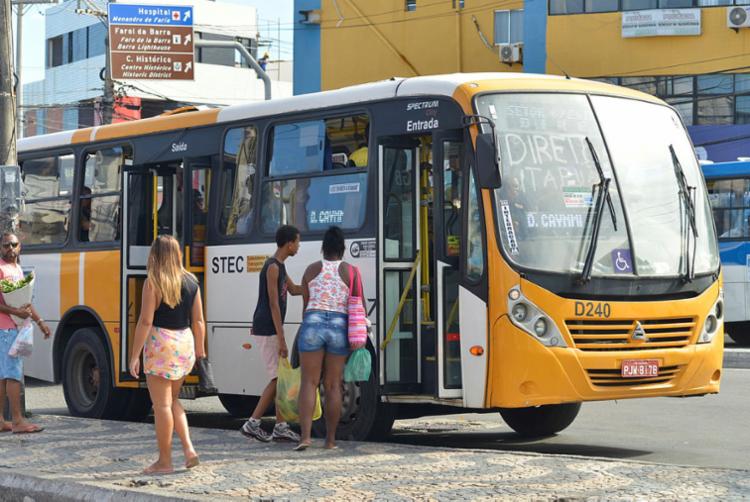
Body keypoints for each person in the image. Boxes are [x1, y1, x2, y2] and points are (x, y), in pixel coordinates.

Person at [129, 235, 205, 474]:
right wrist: (200, 349)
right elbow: (199, 320)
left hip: (161, 344)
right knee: (172, 402)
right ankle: (189, 450)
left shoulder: (154, 282)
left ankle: (165, 462)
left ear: (155, 255)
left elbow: (145, 321)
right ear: (177, 254)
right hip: (184, 343)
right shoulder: (192, 281)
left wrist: (134, 355)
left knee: (161, 406)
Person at [295, 226, 367, 451]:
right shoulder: (351, 271)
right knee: (334, 385)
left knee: (309, 382)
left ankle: (305, 438)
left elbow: (305, 305)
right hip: (339, 326)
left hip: (312, 324)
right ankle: (330, 441)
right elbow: (360, 306)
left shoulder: (310, 270)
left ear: (323, 248)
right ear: (342, 248)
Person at [240, 225, 303, 442]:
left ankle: (281, 425)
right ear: (289, 244)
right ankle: (253, 423)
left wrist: (317, 285)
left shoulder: (281, 267)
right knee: (277, 379)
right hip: (267, 328)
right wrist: (282, 339)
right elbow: (274, 304)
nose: (299, 246)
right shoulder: (273, 267)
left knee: (281, 378)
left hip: (271, 328)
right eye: (297, 242)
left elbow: (294, 290)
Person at [0, 232, 51, 434]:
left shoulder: (17, 268)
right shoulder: (2, 269)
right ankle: (18, 421)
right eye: (6, 245)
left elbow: (25, 300)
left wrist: (40, 322)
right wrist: (16, 312)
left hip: (16, 328)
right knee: (12, 375)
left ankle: (2, 420)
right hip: (6, 328)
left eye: (13, 244)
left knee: (4, 377)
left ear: (20, 246)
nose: (10, 248)